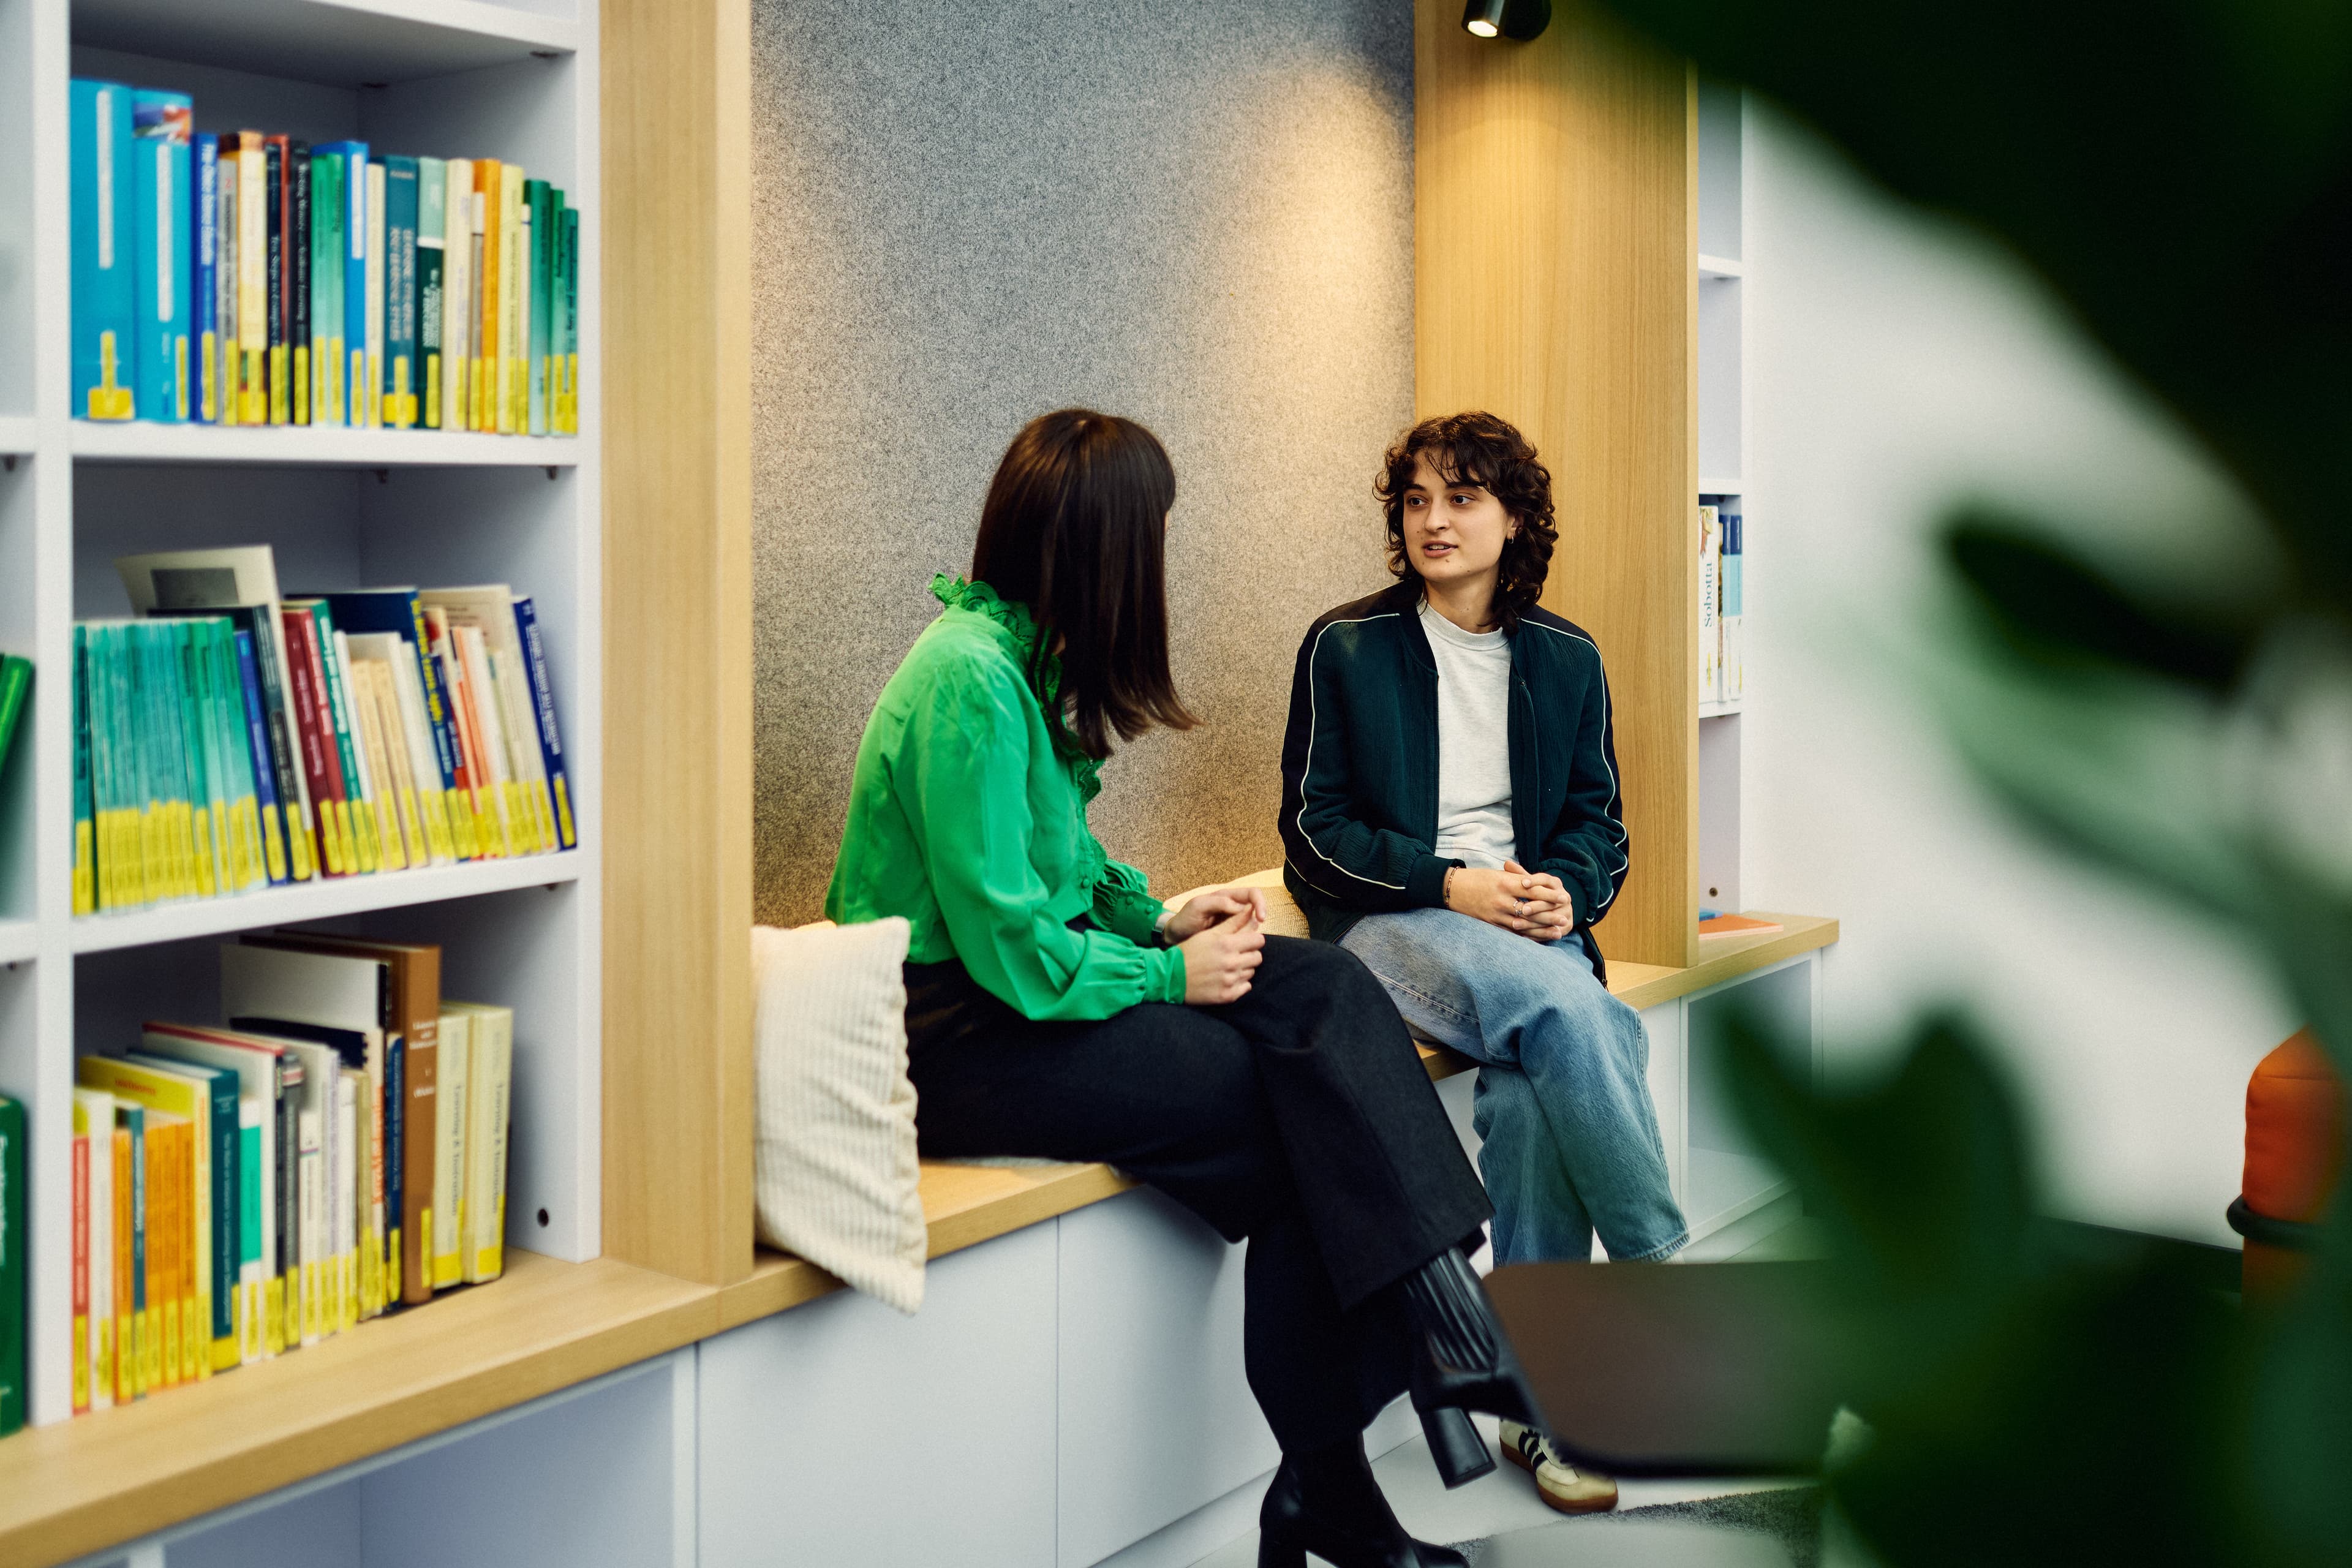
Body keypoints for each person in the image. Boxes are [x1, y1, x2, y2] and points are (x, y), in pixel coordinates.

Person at [826, 409, 1550, 1568]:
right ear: (1104, 543)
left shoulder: (1016, 660)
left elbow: (1060, 871)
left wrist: (1161, 915)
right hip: (954, 1032)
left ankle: (1429, 1350)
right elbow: (1008, 945)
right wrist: (1168, 973)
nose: (1160, 559)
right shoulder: (965, 679)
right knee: (1300, 1115)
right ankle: (1379, 1424)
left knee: (1318, 992)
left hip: (1018, 992)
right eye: (1153, 532)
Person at [1278, 410, 1689, 1517]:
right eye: (1416, 500)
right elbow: (1313, 834)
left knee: (1531, 1083)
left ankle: (1538, 1410)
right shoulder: (1346, 646)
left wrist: (1569, 889)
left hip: (1533, 939)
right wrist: (1450, 880)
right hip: (1395, 930)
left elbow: (1600, 827)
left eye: (1461, 498)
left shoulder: (1567, 658)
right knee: (1573, 1019)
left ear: (1514, 520)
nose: (1433, 521)